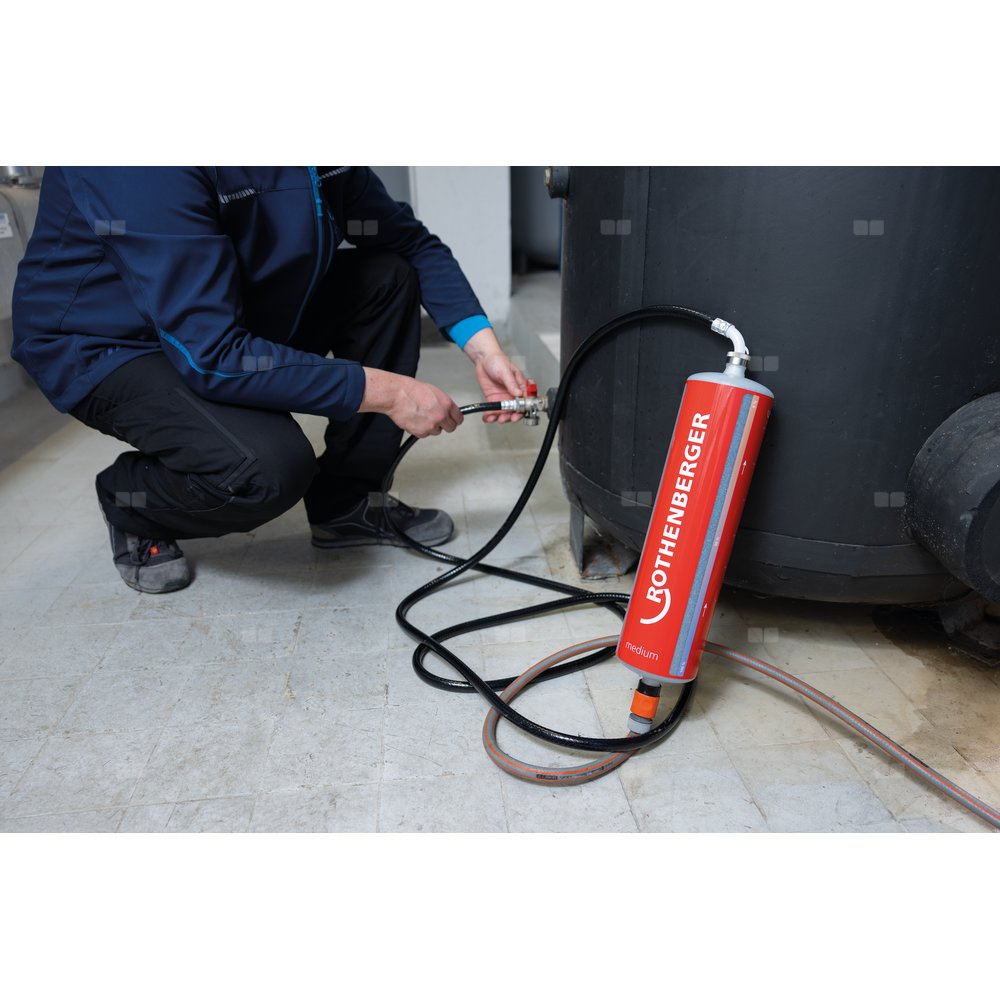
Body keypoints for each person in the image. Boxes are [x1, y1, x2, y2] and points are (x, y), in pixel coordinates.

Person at [11, 166, 526, 593]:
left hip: (225, 312)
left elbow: (408, 243)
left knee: (386, 278)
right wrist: (389, 393)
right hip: (114, 341)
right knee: (265, 469)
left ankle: (347, 503)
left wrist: (484, 350)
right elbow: (213, 353)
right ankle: (130, 501)